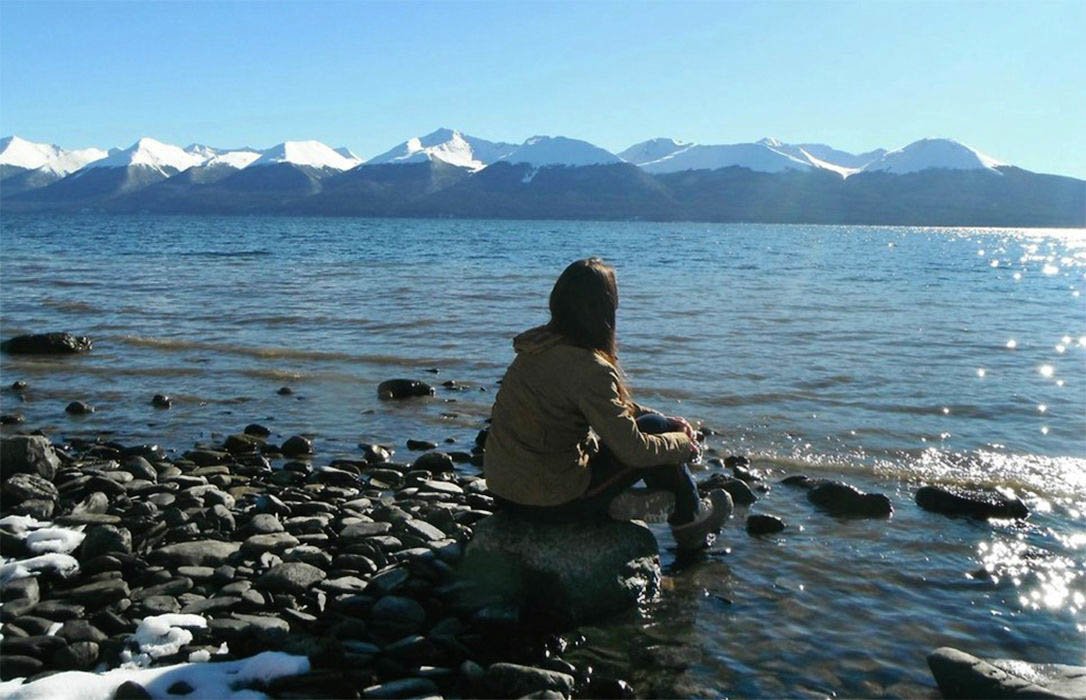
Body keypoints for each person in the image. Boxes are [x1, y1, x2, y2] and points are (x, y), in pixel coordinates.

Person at [484, 258, 732, 550]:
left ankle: (674, 509)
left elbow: (607, 405)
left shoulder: (538, 346)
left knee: (654, 425)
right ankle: (689, 520)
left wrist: (665, 422)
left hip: (504, 492)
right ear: (602, 311)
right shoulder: (589, 368)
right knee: (654, 439)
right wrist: (681, 445)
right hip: (546, 503)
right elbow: (633, 450)